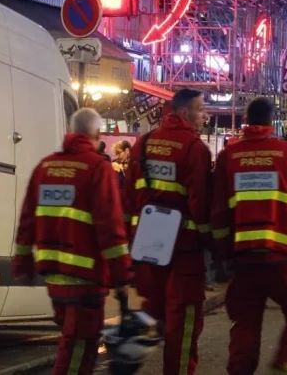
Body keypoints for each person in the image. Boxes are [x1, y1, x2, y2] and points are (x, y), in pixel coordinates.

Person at [210, 97, 287, 375]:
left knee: (245, 325)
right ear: (272, 122)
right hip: (280, 259)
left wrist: (224, 256)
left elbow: (219, 213)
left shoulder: (229, 155)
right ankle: (284, 368)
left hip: (242, 261)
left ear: (247, 121)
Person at [13, 108, 132, 375]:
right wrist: (121, 276)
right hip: (86, 278)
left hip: (54, 279)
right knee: (79, 352)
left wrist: (22, 264)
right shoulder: (97, 169)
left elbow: (27, 221)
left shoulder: (45, 167)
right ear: (97, 134)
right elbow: (110, 228)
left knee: (72, 344)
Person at [123, 89, 212, 375]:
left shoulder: (143, 144)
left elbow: (127, 199)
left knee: (151, 311)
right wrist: (212, 241)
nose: (205, 115)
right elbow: (199, 204)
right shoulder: (194, 149)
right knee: (183, 324)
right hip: (182, 251)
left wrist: (129, 241)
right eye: (201, 109)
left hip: (146, 247)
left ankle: (124, 359)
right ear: (184, 113)